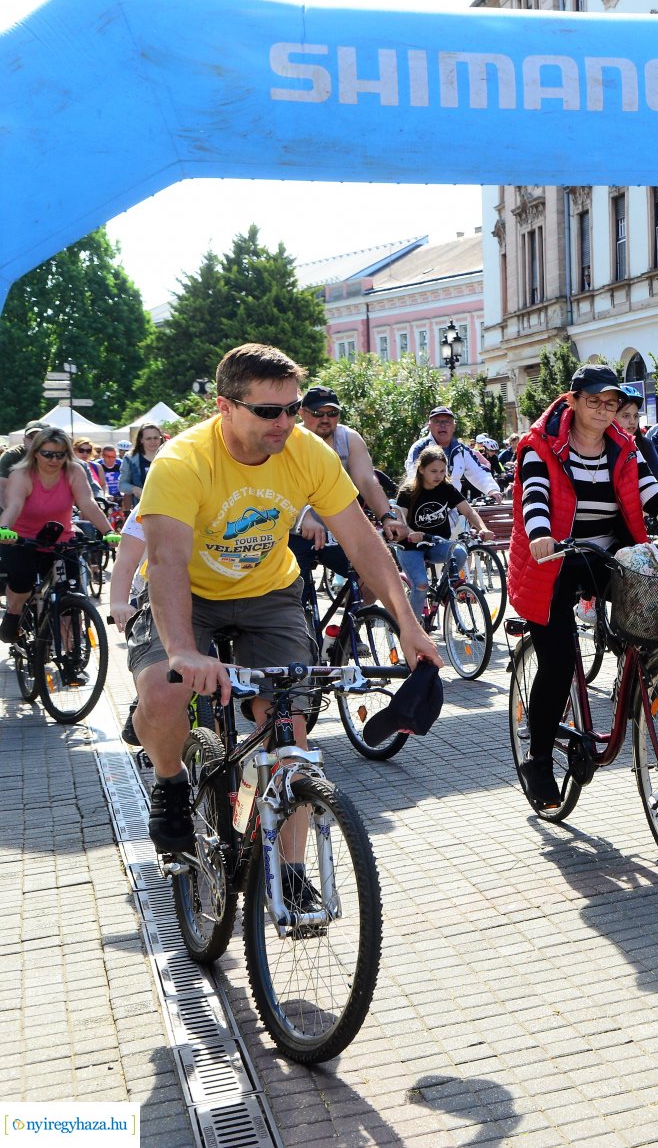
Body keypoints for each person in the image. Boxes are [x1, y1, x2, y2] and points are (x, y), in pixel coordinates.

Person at [126, 344, 439, 852]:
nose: (285, 423)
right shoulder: (182, 460)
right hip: (191, 593)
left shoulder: (305, 452)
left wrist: (407, 622)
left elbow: (363, 542)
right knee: (165, 692)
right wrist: (183, 651)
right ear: (225, 407)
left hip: (269, 591)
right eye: (268, 411)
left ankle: (290, 880)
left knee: (288, 737)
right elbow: (165, 563)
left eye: (293, 409)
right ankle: (170, 780)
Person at [507, 364, 658, 810]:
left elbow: (650, 489)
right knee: (558, 663)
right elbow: (535, 493)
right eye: (595, 401)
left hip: (608, 556)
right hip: (553, 560)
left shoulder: (623, 446)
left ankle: (646, 678)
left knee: (656, 613)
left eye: (612, 403)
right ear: (574, 400)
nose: (604, 409)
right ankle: (538, 759)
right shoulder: (540, 444)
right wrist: (541, 533)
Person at [290, 387, 408, 607]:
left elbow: (367, 481)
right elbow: (279, 488)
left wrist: (387, 516)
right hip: (298, 528)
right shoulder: (289, 439)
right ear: (302, 413)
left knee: (373, 578)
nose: (325, 419)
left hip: (338, 528)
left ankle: (348, 631)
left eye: (332, 413)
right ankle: (303, 634)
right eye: (318, 413)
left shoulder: (349, 438)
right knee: (292, 595)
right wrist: (302, 516)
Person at [0, 427, 116, 648]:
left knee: (70, 594)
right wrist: (4, 528)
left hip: (60, 538)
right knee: (22, 581)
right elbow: (13, 505)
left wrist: (109, 531)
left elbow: (87, 503)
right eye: (48, 454)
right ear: (35, 452)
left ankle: (72, 652)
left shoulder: (74, 471)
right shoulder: (21, 474)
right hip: (22, 539)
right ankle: (14, 614)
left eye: (60, 454)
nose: (54, 460)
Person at [394, 445, 493, 619]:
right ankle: (414, 629)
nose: (438, 475)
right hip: (410, 546)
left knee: (460, 552)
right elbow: (399, 519)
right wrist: (411, 532)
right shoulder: (408, 492)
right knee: (421, 585)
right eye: (433, 471)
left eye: (442, 471)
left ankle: (444, 590)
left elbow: (468, 511)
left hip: (436, 542)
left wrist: (482, 528)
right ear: (421, 469)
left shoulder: (446, 488)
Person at [407, 406, 502, 501]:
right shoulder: (419, 448)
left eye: (447, 421)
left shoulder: (462, 449)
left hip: (454, 507)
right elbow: (413, 476)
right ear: (429, 426)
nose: (442, 425)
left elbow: (477, 471)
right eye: (437, 421)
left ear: (454, 426)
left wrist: (492, 490)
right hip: (425, 506)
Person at [119, 424, 167, 509]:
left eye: (156, 438)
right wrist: (135, 489)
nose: (153, 441)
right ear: (141, 440)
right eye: (148, 438)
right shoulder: (130, 459)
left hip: (168, 505)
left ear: (161, 439)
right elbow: (122, 485)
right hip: (142, 508)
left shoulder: (169, 456)